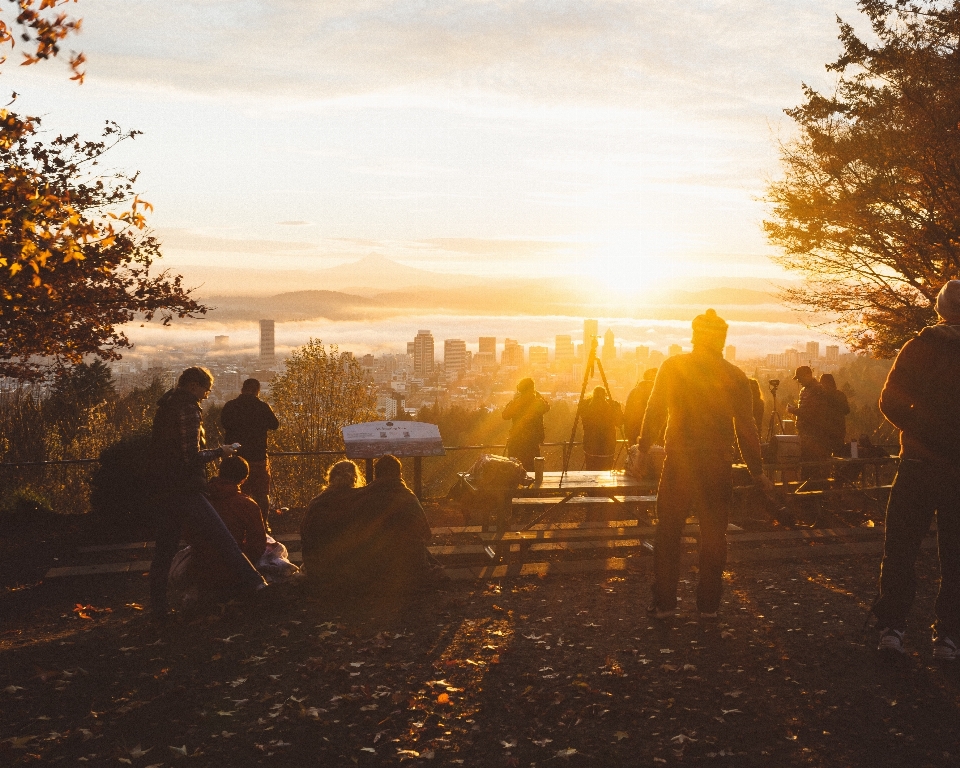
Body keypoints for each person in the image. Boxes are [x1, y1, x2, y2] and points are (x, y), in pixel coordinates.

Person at [636, 309, 773, 619]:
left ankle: (666, 603)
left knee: (669, 531)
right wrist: (757, 470)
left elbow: (655, 409)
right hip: (718, 463)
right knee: (714, 534)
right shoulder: (735, 375)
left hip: (679, 461)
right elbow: (746, 427)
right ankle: (709, 605)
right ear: (722, 339)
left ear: (694, 335)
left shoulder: (673, 367)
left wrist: (644, 448)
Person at [872, 280, 960, 659]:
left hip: (917, 464)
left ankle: (893, 627)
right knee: (956, 555)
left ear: (940, 308)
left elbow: (889, 401)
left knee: (901, 549)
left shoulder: (919, 347)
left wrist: (920, 429)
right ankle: (949, 635)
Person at [149, 367, 265, 618]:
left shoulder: (167, 405)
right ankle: (256, 585)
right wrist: (220, 452)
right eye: (205, 389)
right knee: (222, 537)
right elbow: (191, 456)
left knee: (164, 548)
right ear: (193, 386)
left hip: (167, 485)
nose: (206, 395)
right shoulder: (188, 409)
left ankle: (157, 604)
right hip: (187, 486)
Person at [221, 378, 280, 519]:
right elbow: (275, 425)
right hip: (258, 457)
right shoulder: (262, 407)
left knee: (236, 493)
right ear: (257, 391)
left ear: (242, 389)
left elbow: (224, 423)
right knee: (262, 494)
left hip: (236, 458)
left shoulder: (230, 406)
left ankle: (237, 523)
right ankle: (263, 525)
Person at [300, 460, 364, 582]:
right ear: (355, 478)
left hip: (319, 568)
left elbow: (305, 535)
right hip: (352, 569)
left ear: (330, 478)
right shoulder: (361, 500)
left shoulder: (317, 503)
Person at [787, 365, 831, 478]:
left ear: (808, 375)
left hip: (814, 436)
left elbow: (811, 414)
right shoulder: (806, 390)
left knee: (811, 469)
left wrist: (794, 411)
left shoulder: (817, 390)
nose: (799, 381)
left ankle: (811, 493)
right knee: (806, 468)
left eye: (800, 378)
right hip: (805, 435)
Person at [502, 378, 550, 471]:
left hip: (516, 442)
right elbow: (546, 407)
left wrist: (515, 400)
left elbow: (505, 415)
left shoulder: (517, 402)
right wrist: (537, 396)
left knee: (514, 471)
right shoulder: (537, 402)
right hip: (532, 443)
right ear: (532, 389)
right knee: (532, 472)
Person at [578, 386, 623, 470]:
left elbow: (581, 411)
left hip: (590, 444)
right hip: (608, 445)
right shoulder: (612, 406)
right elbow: (620, 423)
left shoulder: (586, 406)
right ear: (605, 395)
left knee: (591, 469)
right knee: (607, 470)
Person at [624, 368, 658, 446]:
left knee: (636, 456)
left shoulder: (634, 392)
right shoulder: (657, 393)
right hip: (654, 435)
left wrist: (629, 434)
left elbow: (627, 414)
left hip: (634, 434)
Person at [819, 373, 850, 455]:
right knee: (838, 453)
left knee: (825, 455)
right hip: (839, 430)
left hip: (825, 431)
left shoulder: (822, 396)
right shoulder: (840, 395)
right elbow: (847, 410)